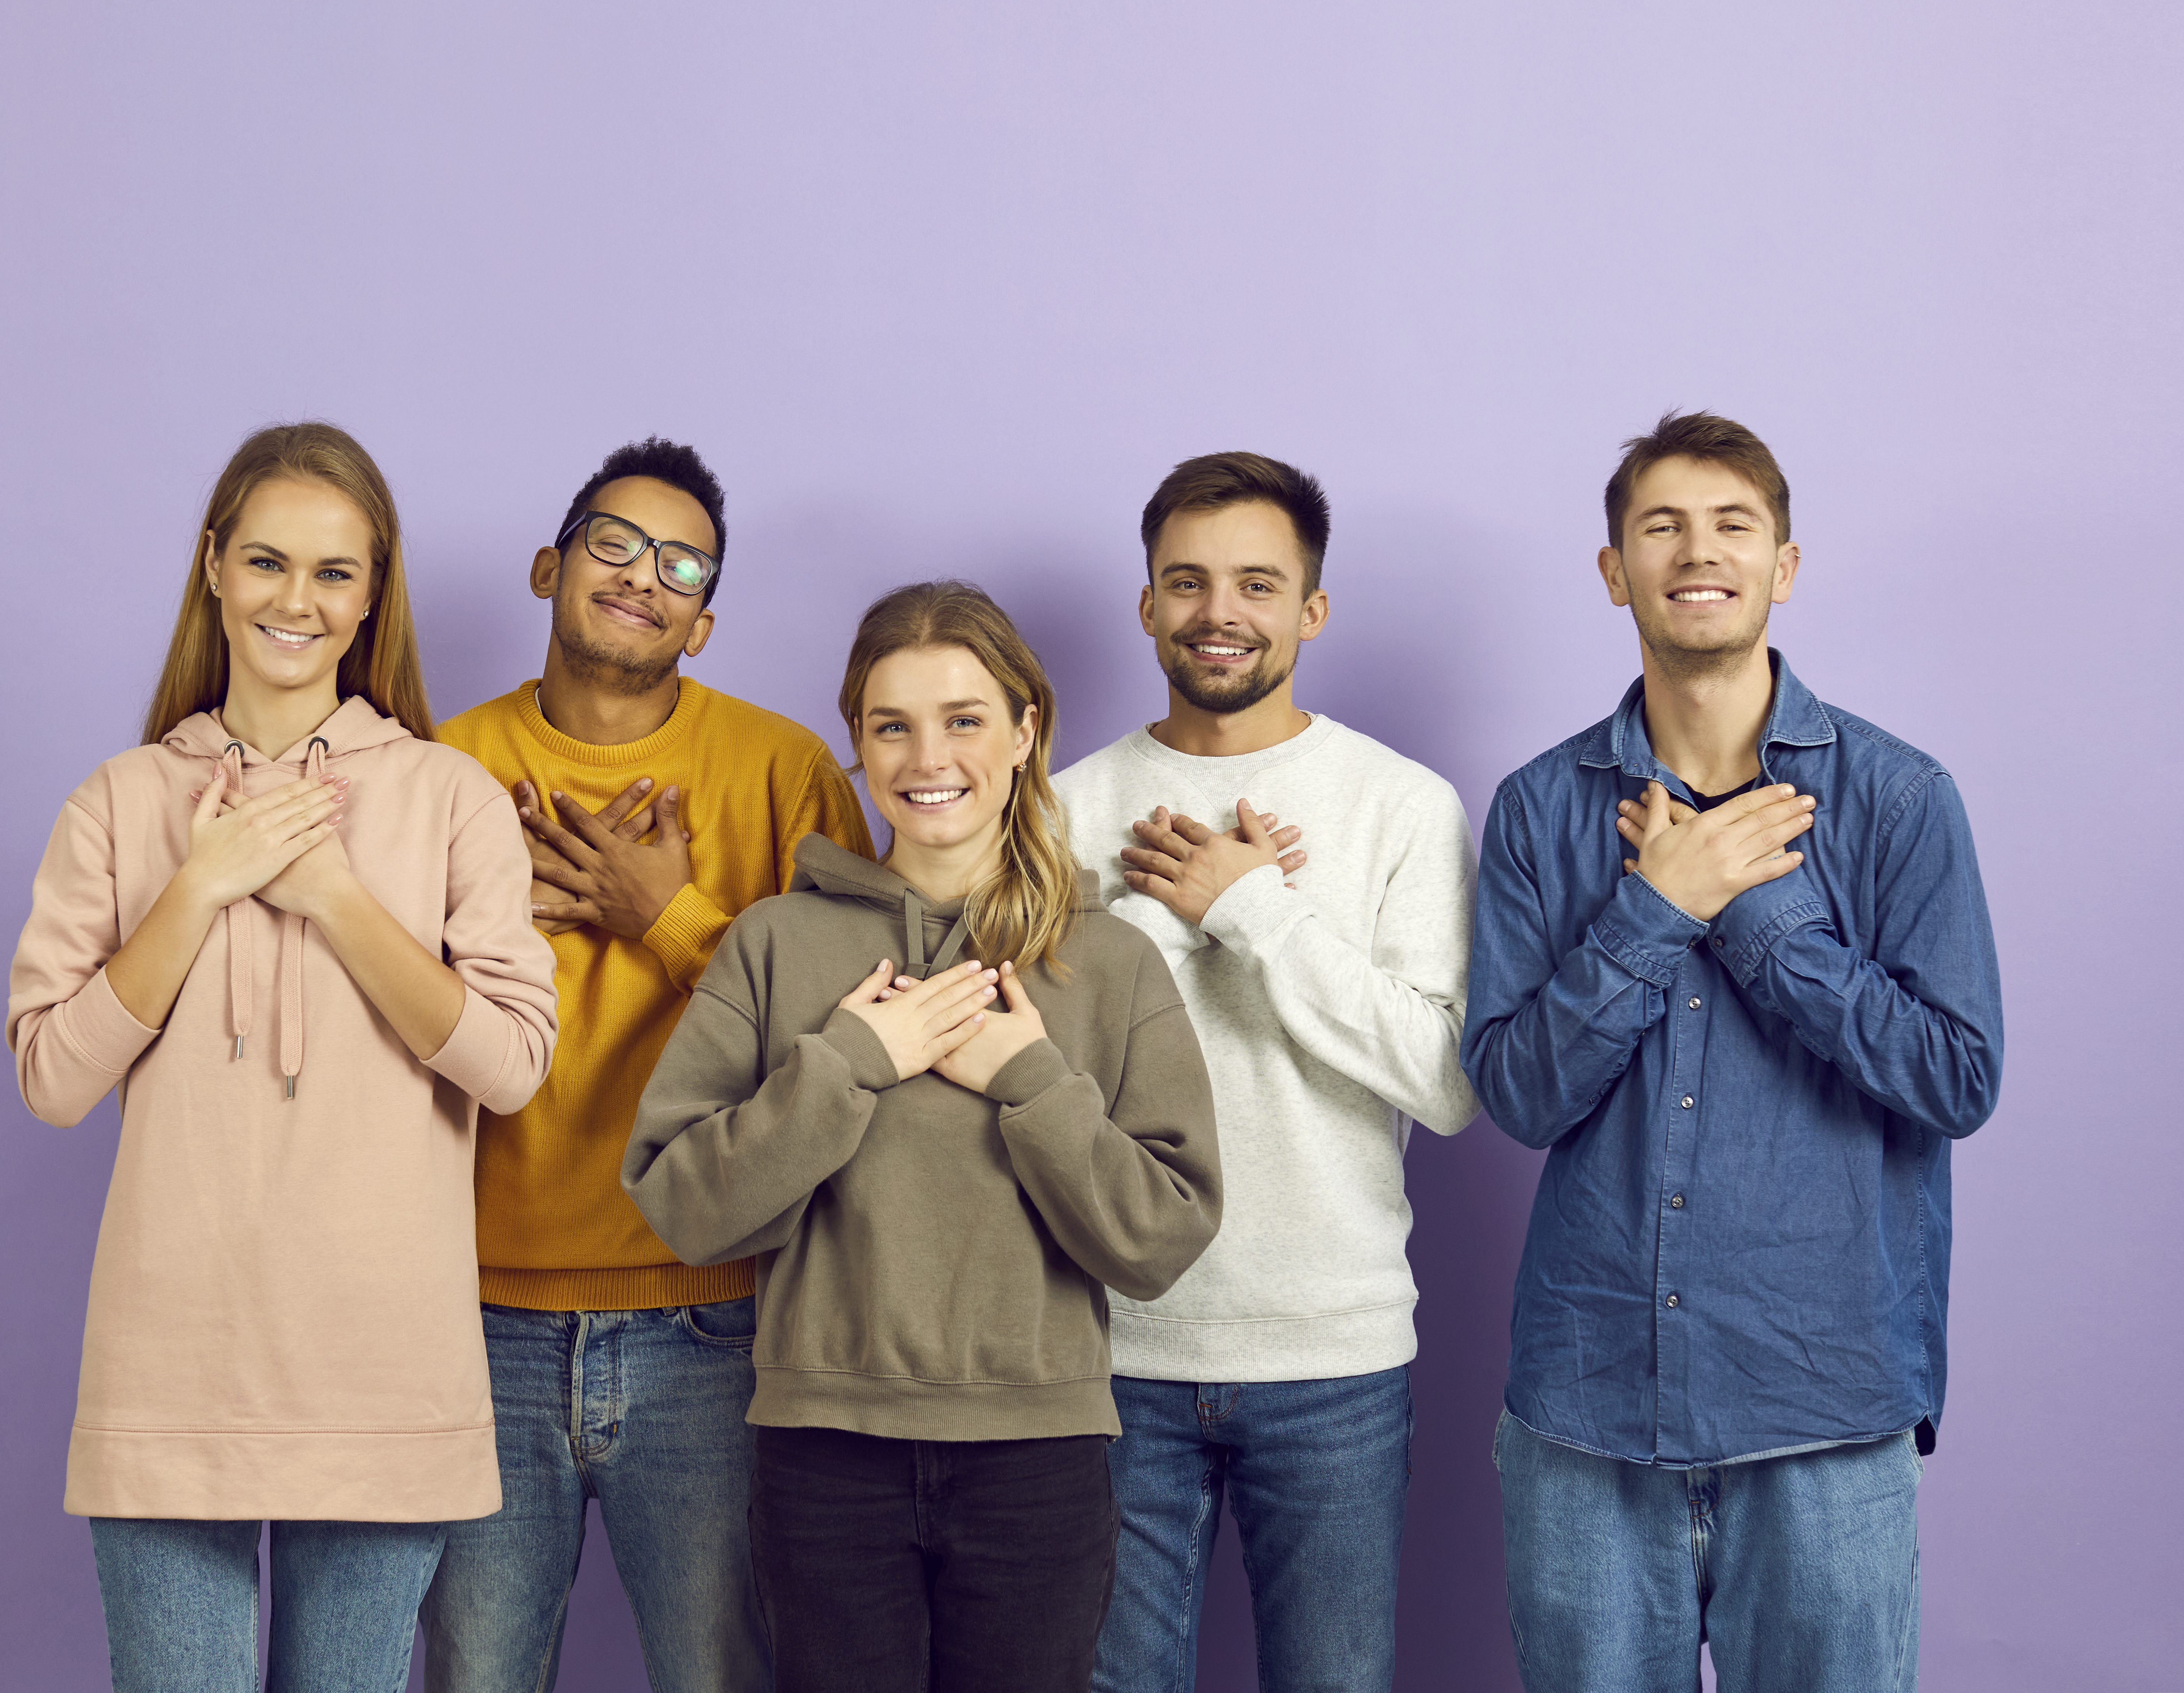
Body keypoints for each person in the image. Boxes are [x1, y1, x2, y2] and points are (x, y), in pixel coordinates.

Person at [6, 422, 558, 1692]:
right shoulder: (121, 799)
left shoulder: (449, 798)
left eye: (332, 573)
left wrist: (332, 895)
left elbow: (512, 1065)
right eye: (266, 563)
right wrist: (200, 889)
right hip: (171, 1370)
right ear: (213, 567)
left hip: (384, 1371)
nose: (295, 602)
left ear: (372, 598)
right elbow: (53, 1078)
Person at [1461, 411, 2004, 1693]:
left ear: (1785, 565)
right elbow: (1519, 1094)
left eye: (1730, 526)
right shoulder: (1543, 808)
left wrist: (1758, 915)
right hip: (1586, 1420)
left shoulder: (1902, 797)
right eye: (1661, 527)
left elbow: (1956, 1076)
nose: (1696, 553)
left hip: (1825, 1415)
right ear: (1615, 571)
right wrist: (1656, 908)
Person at [622, 580, 1223, 1693]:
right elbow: (684, 1205)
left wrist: (1031, 1083)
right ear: (856, 740)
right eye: (890, 725)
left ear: (1025, 730)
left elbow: (1160, 1241)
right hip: (825, 1452)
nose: (925, 755)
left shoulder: (1113, 962)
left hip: (1037, 1458)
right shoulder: (776, 944)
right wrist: (852, 1063)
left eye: (963, 719)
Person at [420, 438, 874, 1693]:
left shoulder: (786, 773)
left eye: (681, 564)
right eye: (614, 544)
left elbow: (858, 1044)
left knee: (727, 1672)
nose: (643, 577)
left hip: (718, 1317)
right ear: (548, 567)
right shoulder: (437, 769)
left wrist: (662, 916)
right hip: (477, 1314)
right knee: (473, 1674)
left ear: (707, 619)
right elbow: (375, 1023)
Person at [1050, 452, 1481, 1693]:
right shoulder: (1068, 811)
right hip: (1115, 1349)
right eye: (1186, 583)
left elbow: (1447, 1083)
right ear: (1146, 607)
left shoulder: (1399, 805)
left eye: (1255, 583)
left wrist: (1259, 915)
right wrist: (1168, 925)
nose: (1218, 612)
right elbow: (1020, 1066)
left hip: (1333, 1354)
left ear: (1312, 610)